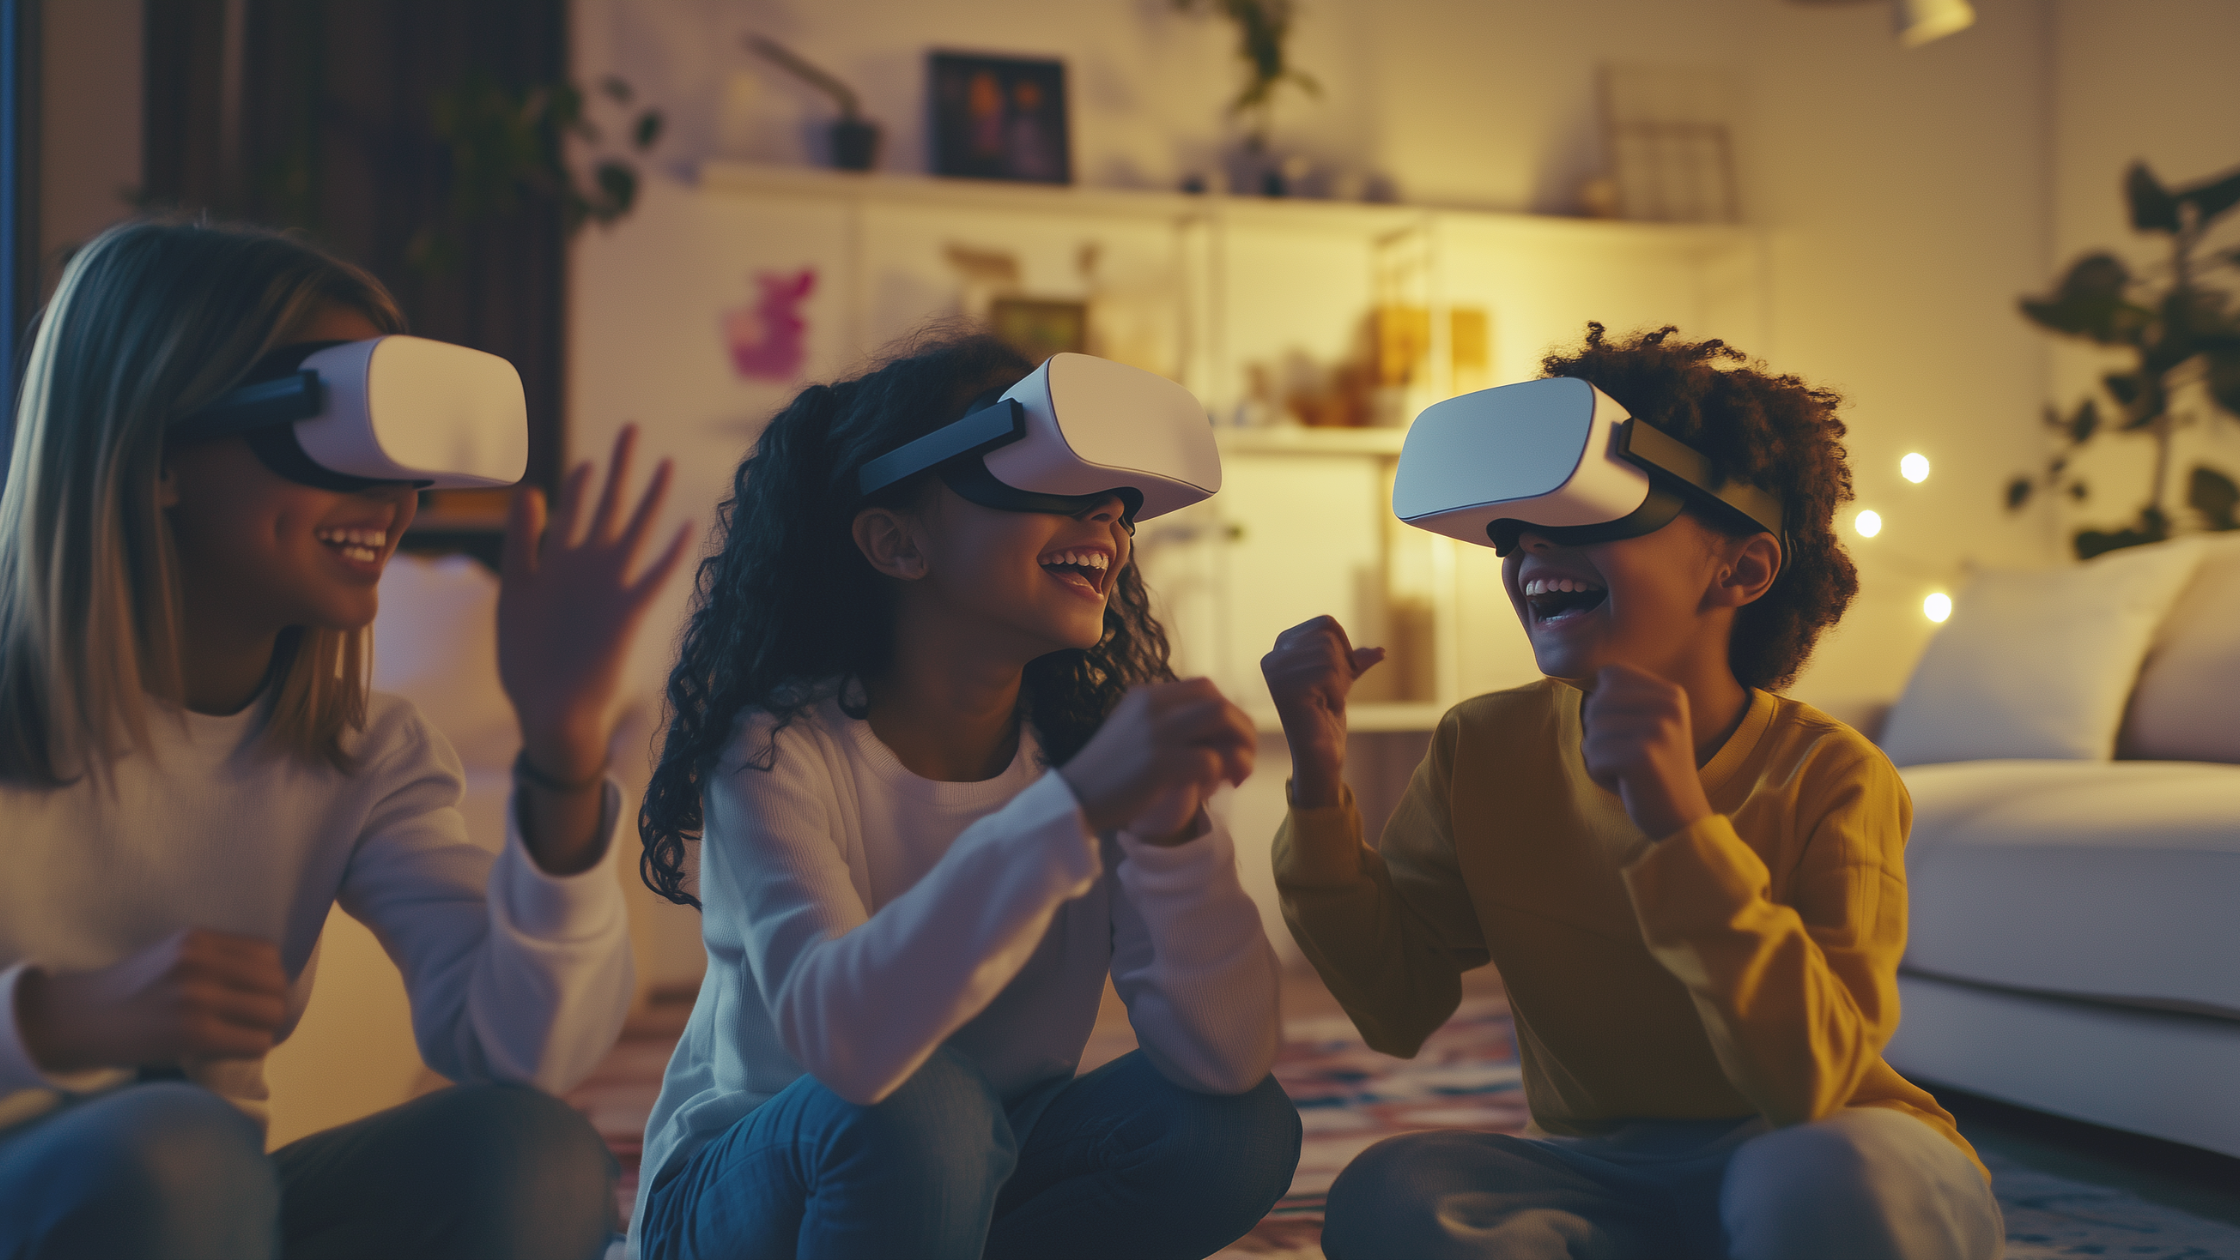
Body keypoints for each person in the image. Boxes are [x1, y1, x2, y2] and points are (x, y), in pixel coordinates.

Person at [0, 219, 689, 1260]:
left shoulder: (366, 751)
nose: (395, 501)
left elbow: (522, 1046)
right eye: (336, 434)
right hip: (89, 1190)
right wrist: (58, 1019)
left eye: (403, 456)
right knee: (178, 1150)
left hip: (214, 1203)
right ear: (154, 457)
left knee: (533, 1151)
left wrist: (563, 747)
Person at [1263, 324, 2004, 1260]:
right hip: (1599, 1173)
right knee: (1391, 1193)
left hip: (1824, 1146)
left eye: (1590, 512)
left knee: (1813, 1179)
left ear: (1741, 567)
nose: (1529, 545)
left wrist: (1679, 824)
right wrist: (1318, 780)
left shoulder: (1833, 775)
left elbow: (1814, 1078)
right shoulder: (1481, 745)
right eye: (1511, 532)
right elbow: (1396, 1000)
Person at [630, 333, 1301, 1260]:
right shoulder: (776, 753)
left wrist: (1175, 834)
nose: (1108, 516)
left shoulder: (1088, 754)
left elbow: (1224, 1057)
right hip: (744, 1194)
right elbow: (851, 1048)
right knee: (921, 1105)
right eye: (1046, 478)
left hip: (969, 1163)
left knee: (1238, 1129)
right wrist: (1074, 811)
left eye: (1118, 504)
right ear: (897, 541)